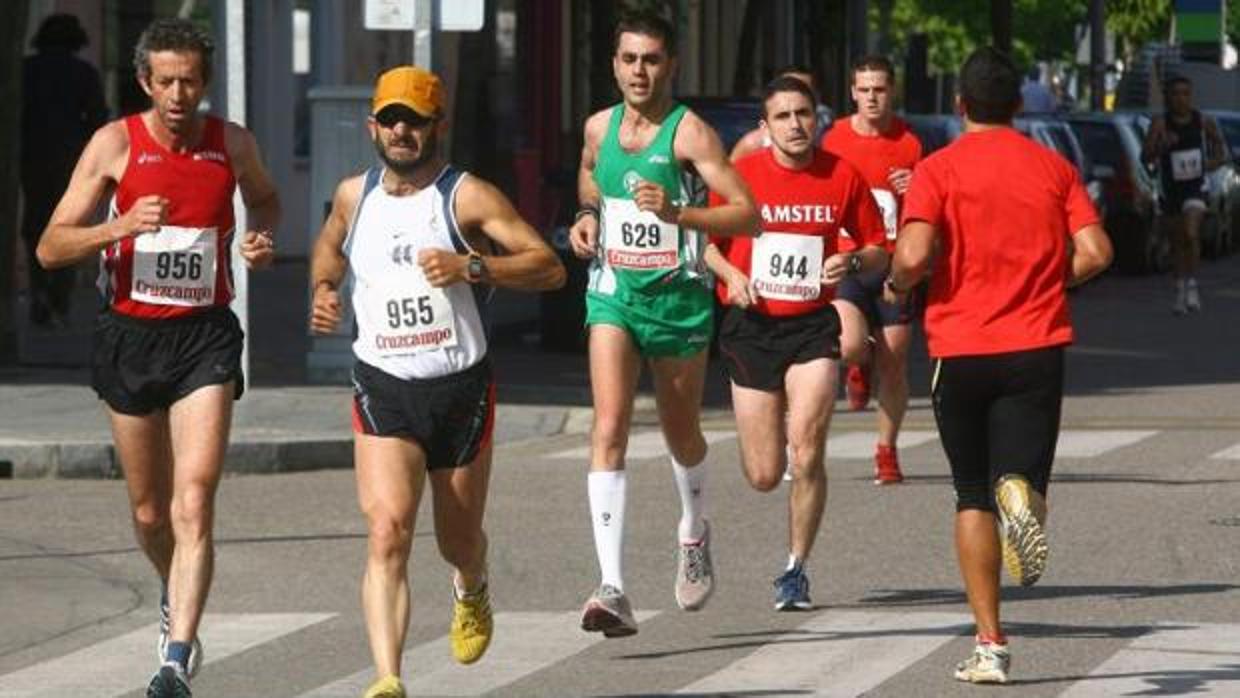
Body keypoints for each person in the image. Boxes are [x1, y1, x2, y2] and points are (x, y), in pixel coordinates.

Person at [35, 18, 280, 698]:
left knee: (194, 500)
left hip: (204, 335)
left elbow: (265, 200)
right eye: (166, 81)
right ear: (145, 81)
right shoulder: (114, 145)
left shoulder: (230, 142)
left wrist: (260, 237)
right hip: (129, 338)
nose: (179, 94)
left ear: (204, 83)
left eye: (191, 81)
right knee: (150, 512)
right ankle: (173, 594)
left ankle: (175, 658)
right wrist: (120, 224)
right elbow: (51, 248)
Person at [309, 66, 565, 698]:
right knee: (388, 530)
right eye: (391, 118)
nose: (402, 131)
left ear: (437, 126)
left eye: (415, 120)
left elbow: (549, 267)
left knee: (456, 540)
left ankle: (472, 581)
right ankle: (388, 677)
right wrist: (321, 289)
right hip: (383, 383)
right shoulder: (352, 195)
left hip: (459, 389)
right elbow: (330, 245)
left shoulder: (466, 197)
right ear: (373, 125)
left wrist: (472, 265)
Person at [885, 47, 1112, 684]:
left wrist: (903, 286)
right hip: (1035, 346)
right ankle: (1025, 497)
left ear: (960, 106)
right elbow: (1096, 250)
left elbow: (914, 252)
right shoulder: (1052, 166)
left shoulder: (937, 169)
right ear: (1018, 105)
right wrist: (1048, 282)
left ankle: (990, 645)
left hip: (960, 349)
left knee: (969, 495)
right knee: (1020, 481)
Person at [568, 11, 759, 637]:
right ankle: (612, 586)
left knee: (682, 434)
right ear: (615, 65)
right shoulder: (600, 126)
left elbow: (746, 216)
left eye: (651, 60)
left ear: (669, 65)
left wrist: (679, 212)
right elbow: (591, 174)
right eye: (629, 59)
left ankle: (693, 527)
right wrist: (588, 214)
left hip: (678, 301)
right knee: (610, 425)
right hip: (614, 294)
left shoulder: (690, 134)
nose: (639, 71)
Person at [705, 76, 888, 610]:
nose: (795, 125)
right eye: (782, 116)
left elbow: (879, 249)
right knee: (764, 474)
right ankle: (777, 441)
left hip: (812, 324)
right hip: (752, 327)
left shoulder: (842, 176)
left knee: (806, 453)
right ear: (765, 128)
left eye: (803, 114)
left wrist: (853, 260)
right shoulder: (741, 178)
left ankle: (795, 569)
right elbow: (704, 246)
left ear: (818, 119)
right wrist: (730, 277)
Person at [822, 54, 923, 484]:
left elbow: (928, 208)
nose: (871, 98)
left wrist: (915, 188)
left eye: (879, 89)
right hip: (847, 258)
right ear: (852, 93)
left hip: (892, 262)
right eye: (863, 90)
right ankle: (857, 364)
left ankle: (887, 450)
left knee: (896, 358)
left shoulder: (910, 143)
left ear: (891, 91)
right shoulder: (834, 139)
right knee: (847, 345)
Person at [21, 13, 108, 327]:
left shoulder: (25, 71)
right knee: (70, 224)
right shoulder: (84, 73)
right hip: (73, 161)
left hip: (31, 157)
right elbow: (98, 118)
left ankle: (39, 291)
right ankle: (60, 297)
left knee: (35, 223)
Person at [1141, 75, 1227, 315]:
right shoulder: (1160, 124)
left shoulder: (1203, 122)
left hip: (1196, 187)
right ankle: (1180, 288)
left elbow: (1221, 149)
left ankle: (1192, 285)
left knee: (1191, 233)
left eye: (1186, 94)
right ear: (1168, 97)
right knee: (1178, 242)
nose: (1181, 99)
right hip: (1171, 188)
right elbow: (1145, 157)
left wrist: (1211, 163)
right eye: (1176, 94)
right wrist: (1161, 146)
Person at [729, 65, 832, 162]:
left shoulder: (829, 125)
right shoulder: (753, 145)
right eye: (783, 116)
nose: (795, 124)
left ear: (817, 95)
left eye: (803, 89)